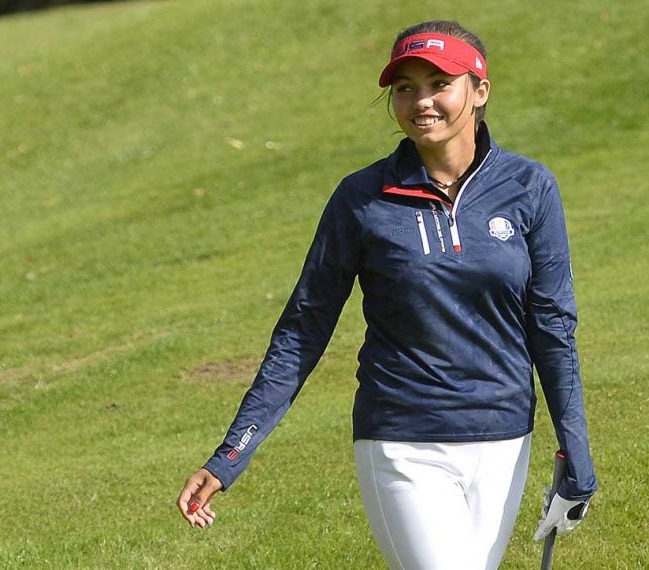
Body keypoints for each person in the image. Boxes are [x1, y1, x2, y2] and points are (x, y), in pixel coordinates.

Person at [176, 19, 597, 569]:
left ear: (480, 90)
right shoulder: (362, 198)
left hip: (502, 439)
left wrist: (576, 453)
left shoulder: (529, 187)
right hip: (403, 440)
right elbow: (304, 328)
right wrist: (231, 453)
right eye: (405, 87)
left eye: (438, 83)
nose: (421, 101)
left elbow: (552, 328)